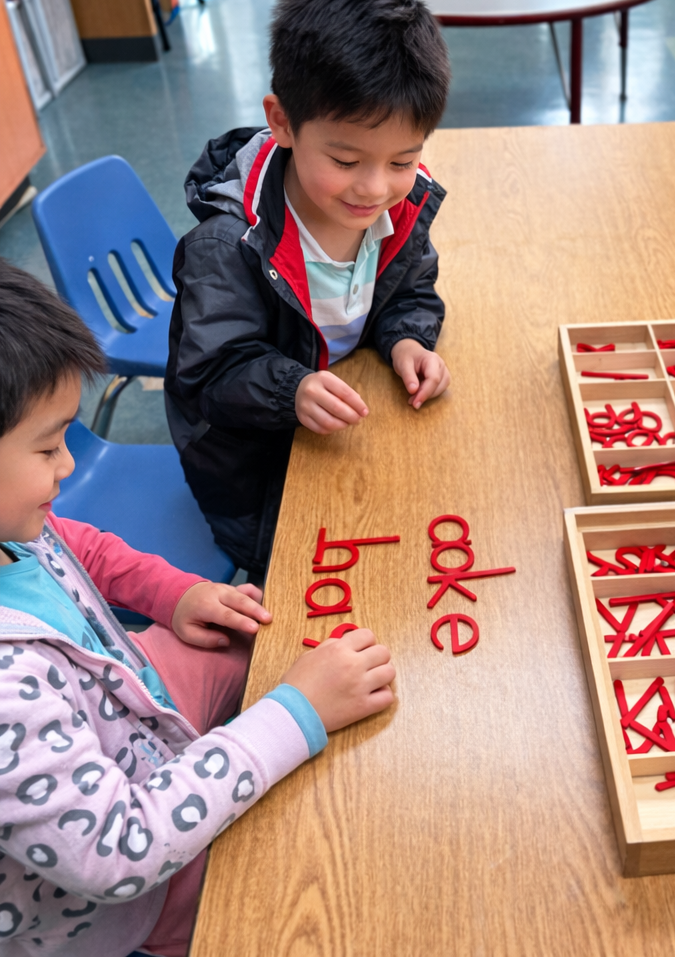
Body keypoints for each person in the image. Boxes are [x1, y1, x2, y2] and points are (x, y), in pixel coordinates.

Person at [0, 260, 396, 956]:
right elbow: (122, 848)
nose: (67, 466)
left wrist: (172, 594)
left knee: (257, 635)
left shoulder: (14, 523)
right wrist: (294, 714)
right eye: (46, 446)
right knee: (299, 885)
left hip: (130, 695)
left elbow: (78, 548)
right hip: (144, 891)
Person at [165, 0, 452, 581]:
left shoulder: (403, 206)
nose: (375, 188)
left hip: (346, 427)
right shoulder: (227, 247)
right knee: (324, 585)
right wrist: (289, 389)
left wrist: (406, 335)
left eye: (403, 159)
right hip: (260, 471)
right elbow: (210, 375)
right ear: (283, 122)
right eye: (346, 159)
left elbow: (411, 286)